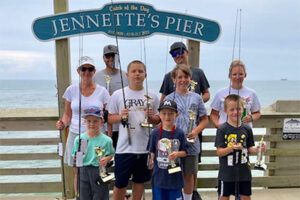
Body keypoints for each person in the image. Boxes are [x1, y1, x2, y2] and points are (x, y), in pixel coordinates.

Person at [159, 41, 210, 199]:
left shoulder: (196, 97)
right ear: (173, 79)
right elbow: (162, 115)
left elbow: (204, 119)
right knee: (173, 173)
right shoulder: (169, 97)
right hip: (173, 142)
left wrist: (195, 131)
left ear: (190, 78)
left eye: (185, 77)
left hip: (191, 143)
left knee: (189, 174)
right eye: (179, 77)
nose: (183, 80)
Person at [56, 56, 110, 196]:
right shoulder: (71, 90)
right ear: (78, 71)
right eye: (83, 69)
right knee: (78, 170)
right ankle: (79, 197)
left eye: (90, 69)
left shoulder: (103, 91)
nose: (86, 72)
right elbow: (67, 114)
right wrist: (63, 123)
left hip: (98, 137)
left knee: (100, 169)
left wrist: (108, 136)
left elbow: (107, 115)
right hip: (78, 137)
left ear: (94, 71)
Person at [107, 60, 160, 200]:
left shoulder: (153, 96)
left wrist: (152, 117)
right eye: (134, 71)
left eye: (140, 71)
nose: (137, 74)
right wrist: (121, 117)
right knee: (120, 183)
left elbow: (158, 120)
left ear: (145, 75)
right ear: (127, 74)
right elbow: (110, 118)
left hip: (144, 148)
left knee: (139, 182)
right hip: (124, 148)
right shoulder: (118, 94)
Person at [215, 94, 265, 200]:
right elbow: (219, 152)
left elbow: (250, 149)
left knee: (246, 197)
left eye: (238, 109)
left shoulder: (247, 128)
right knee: (224, 197)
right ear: (225, 111)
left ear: (243, 110)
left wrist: (258, 150)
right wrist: (230, 148)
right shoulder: (222, 129)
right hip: (227, 173)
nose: (235, 112)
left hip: (244, 172)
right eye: (231, 109)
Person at [71, 106, 114, 200]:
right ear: (84, 122)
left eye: (95, 121)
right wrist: (76, 187)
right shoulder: (80, 139)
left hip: (99, 171)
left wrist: (107, 159)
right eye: (89, 121)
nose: (92, 124)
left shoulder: (107, 140)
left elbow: (111, 155)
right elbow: (77, 163)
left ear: (101, 121)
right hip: (83, 171)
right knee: (84, 197)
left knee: (100, 196)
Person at [148, 99, 188, 200]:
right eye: (164, 113)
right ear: (159, 115)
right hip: (159, 178)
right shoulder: (154, 133)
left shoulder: (180, 133)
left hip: (175, 179)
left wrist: (177, 154)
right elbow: (152, 151)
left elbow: (185, 152)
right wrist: (151, 160)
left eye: (171, 114)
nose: (167, 117)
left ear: (176, 115)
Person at [93, 44, 129, 148]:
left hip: (122, 127)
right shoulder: (96, 77)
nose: (111, 59)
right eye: (108, 56)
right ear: (103, 58)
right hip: (102, 127)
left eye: (114, 55)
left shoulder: (126, 76)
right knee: (104, 160)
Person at [210, 60, 261, 129]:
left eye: (240, 74)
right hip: (225, 132)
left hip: (244, 132)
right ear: (229, 76)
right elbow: (214, 114)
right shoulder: (220, 93)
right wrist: (217, 125)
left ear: (245, 75)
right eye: (234, 74)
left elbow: (257, 113)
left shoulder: (252, 93)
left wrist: (251, 117)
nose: (237, 77)